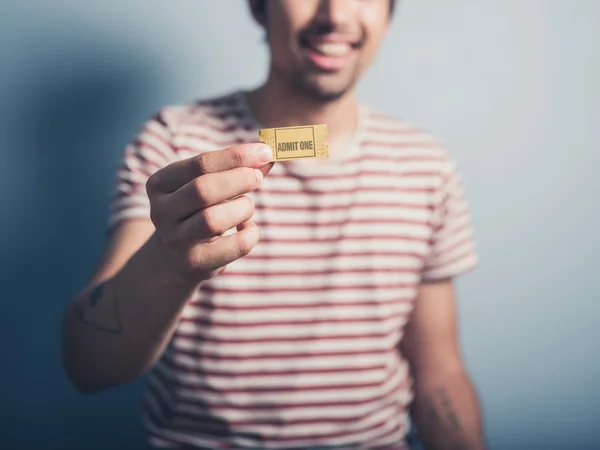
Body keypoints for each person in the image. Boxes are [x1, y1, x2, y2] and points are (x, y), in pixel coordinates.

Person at [62, 1, 487, 448]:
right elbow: (88, 366)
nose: (336, 14)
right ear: (260, 8)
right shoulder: (174, 143)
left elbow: (440, 373)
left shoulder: (426, 167)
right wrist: (168, 265)